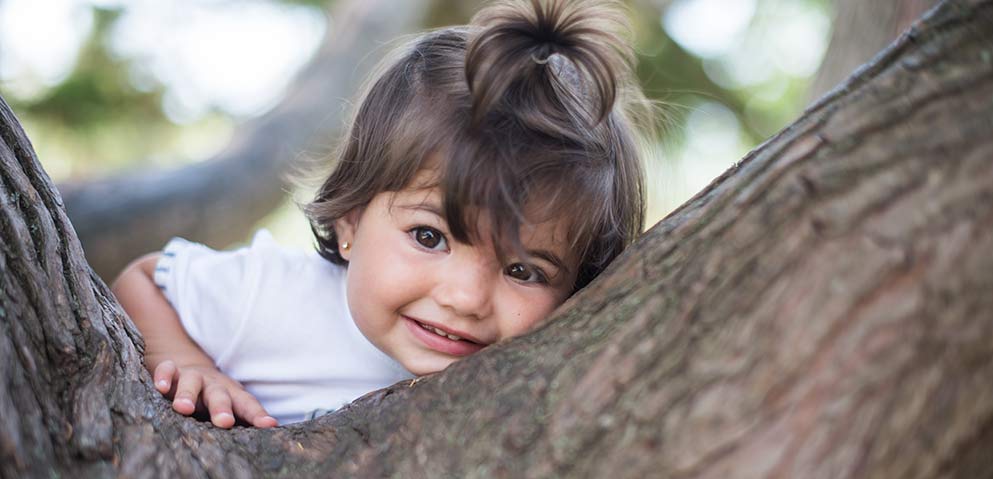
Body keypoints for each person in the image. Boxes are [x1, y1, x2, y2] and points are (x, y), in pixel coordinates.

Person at [112, 0, 649, 428]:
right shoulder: (270, 298)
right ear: (350, 220)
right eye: (429, 236)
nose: (464, 298)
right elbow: (146, 279)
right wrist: (183, 359)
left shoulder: (534, 381)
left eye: (523, 271)